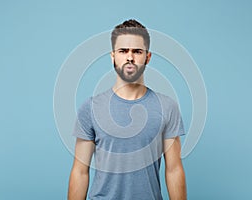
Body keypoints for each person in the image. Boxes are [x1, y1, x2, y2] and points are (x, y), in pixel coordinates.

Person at [68, 19, 187, 200]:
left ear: (147, 57)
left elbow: (174, 169)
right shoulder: (91, 108)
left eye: (137, 51)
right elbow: (80, 171)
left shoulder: (167, 107)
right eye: (123, 51)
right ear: (113, 56)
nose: (130, 57)